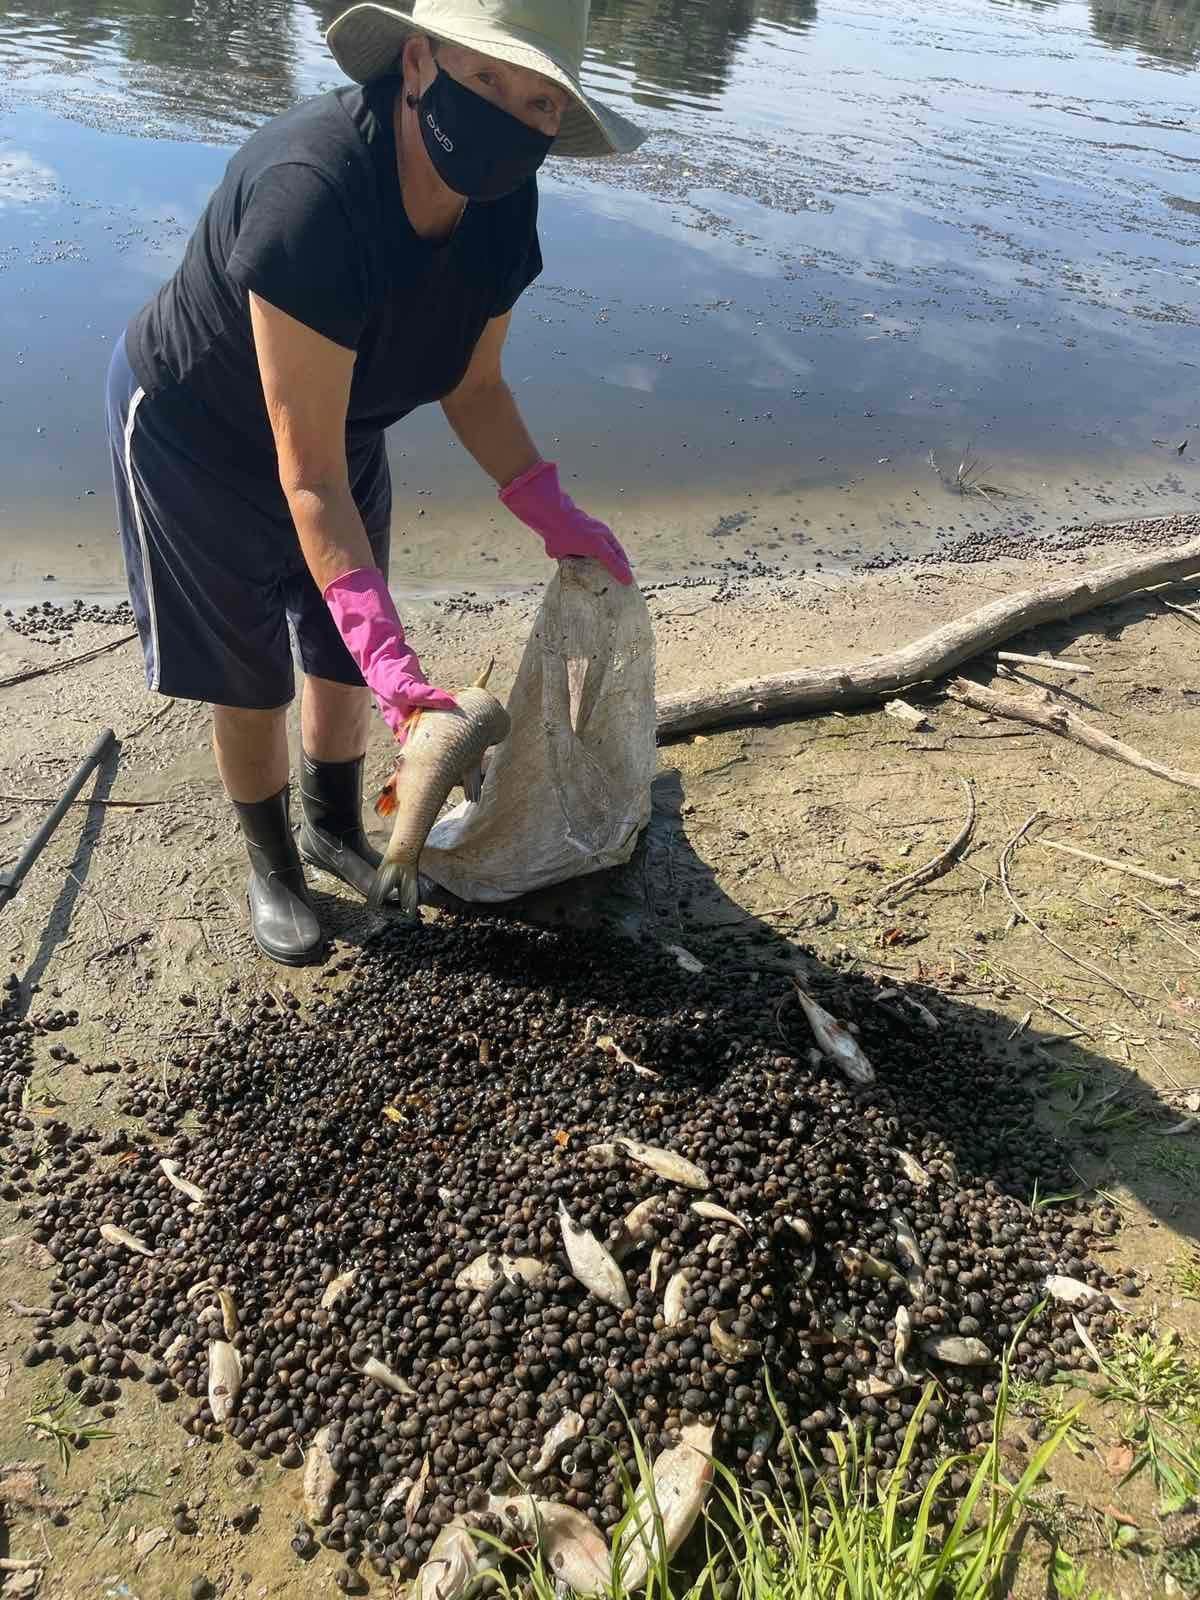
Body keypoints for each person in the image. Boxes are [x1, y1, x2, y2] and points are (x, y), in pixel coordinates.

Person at [105, 0, 645, 965]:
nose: (511, 113)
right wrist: (407, 679)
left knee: (341, 649)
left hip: (339, 424)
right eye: (484, 78)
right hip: (198, 430)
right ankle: (272, 862)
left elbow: (473, 385)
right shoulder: (312, 194)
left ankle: (335, 827)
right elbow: (303, 474)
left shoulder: (503, 194)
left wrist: (549, 506)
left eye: (538, 101)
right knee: (250, 667)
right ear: (417, 63)